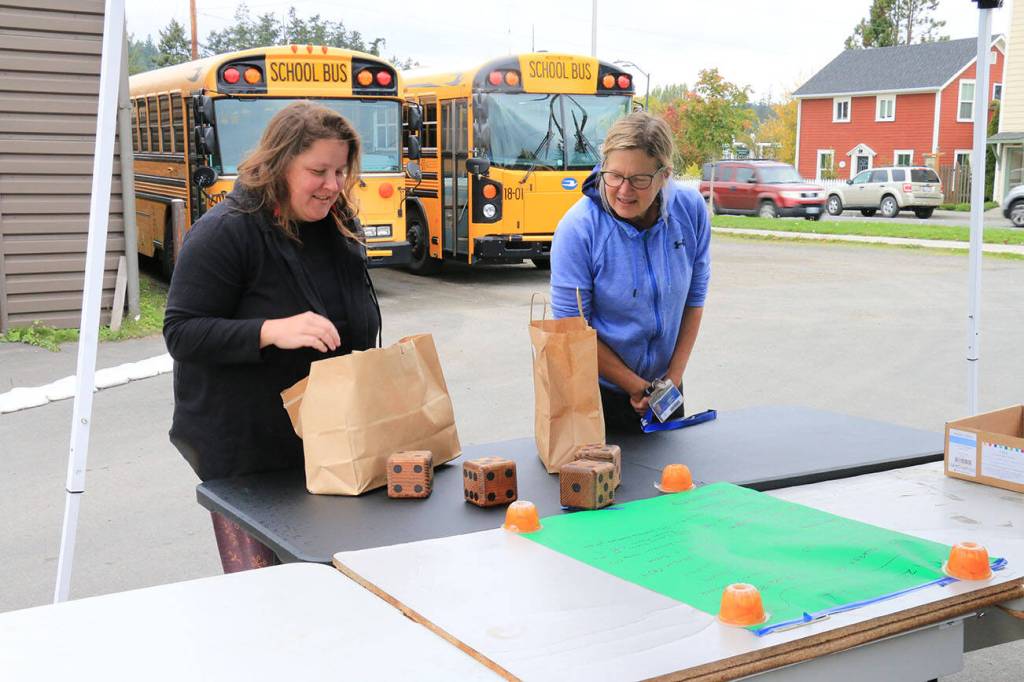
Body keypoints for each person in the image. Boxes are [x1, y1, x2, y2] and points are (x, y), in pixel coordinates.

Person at [163, 101, 380, 571]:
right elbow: (181, 332)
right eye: (318, 171)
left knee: (335, 590)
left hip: (331, 444)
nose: (333, 185)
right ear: (280, 163)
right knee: (268, 601)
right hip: (248, 457)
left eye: (341, 171)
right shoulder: (226, 231)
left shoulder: (338, 224)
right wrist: (270, 331)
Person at [550, 112, 710, 433]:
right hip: (596, 396)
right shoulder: (579, 228)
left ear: (664, 175)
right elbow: (572, 329)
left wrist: (672, 380)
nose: (623, 190)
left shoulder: (690, 211)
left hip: (665, 390)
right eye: (613, 175)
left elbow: (694, 299)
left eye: (639, 179)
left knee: (670, 480)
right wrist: (635, 385)